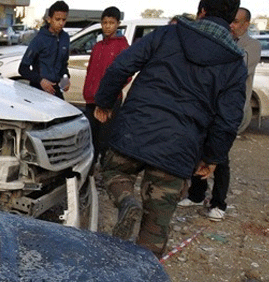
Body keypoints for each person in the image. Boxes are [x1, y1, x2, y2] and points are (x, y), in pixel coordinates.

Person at [93, 0, 246, 258]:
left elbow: (121, 66)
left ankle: (126, 201)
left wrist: (105, 102)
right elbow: (228, 120)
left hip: (134, 131)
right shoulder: (234, 64)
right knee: (156, 224)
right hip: (179, 149)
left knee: (113, 171)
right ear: (232, 20)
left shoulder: (168, 34)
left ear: (202, 11)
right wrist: (211, 157)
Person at [178, 6, 261, 221]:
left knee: (220, 157)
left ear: (246, 24)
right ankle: (196, 194)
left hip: (231, 111)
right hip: (210, 107)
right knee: (199, 148)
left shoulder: (251, 46)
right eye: (230, 22)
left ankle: (218, 203)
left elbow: (238, 68)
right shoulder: (224, 42)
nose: (231, 26)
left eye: (236, 22)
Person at [82, 6, 129, 165]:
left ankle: (105, 168)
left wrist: (110, 94)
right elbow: (90, 71)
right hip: (91, 99)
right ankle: (90, 167)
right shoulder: (98, 47)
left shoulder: (122, 47)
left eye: (111, 22)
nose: (107, 26)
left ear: (118, 24)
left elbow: (126, 75)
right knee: (90, 137)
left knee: (105, 138)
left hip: (109, 100)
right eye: (104, 23)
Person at [17, 1, 70, 99]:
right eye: (57, 19)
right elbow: (23, 68)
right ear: (49, 19)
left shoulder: (65, 38)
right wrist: (40, 80)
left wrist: (66, 78)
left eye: (64, 20)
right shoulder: (39, 39)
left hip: (56, 89)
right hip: (38, 89)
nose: (61, 23)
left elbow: (64, 65)